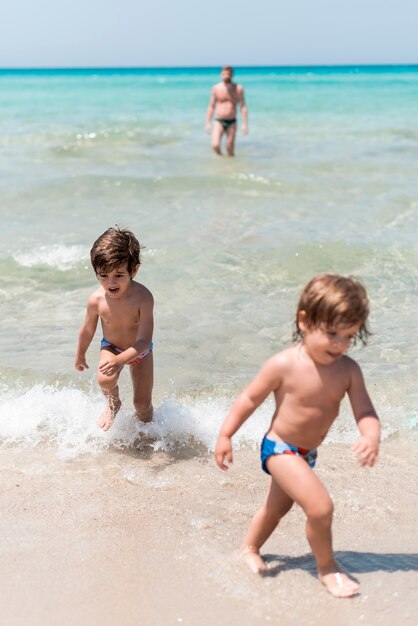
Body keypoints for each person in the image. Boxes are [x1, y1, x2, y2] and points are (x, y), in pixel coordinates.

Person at [214, 274, 380, 598]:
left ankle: (249, 548)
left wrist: (371, 435)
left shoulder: (348, 371)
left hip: (306, 453)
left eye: (348, 337)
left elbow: (365, 412)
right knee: (320, 508)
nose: (339, 344)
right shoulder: (284, 364)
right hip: (279, 448)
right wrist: (225, 434)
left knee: (276, 509)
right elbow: (249, 399)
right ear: (304, 321)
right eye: (331, 333)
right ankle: (327, 568)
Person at [75, 227, 154, 431]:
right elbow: (87, 330)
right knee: (104, 378)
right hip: (111, 347)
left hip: (139, 352)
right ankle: (113, 403)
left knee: (142, 405)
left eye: (118, 275)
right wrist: (80, 355)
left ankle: (147, 432)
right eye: (103, 275)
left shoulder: (143, 298)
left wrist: (122, 360)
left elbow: (144, 340)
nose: (110, 282)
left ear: (133, 270)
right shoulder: (96, 300)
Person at [205, 66, 248, 156]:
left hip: (232, 121)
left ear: (232, 75)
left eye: (228, 74)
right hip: (219, 120)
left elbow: (243, 106)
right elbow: (211, 106)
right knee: (215, 145)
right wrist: (208, 122)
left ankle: (231, 166)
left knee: (229, 146)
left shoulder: (238, 88)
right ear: (221, 75)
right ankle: (222, 160)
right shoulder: (216, 88)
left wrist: (244, 124)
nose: (226, 76)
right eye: (224, 74)